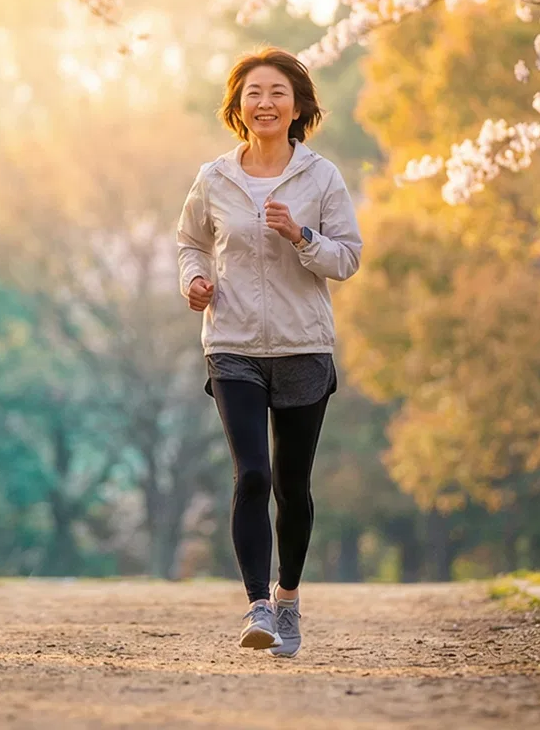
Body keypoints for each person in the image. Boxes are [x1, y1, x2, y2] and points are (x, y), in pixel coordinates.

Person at [175, 47, 362, 659]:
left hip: (303, 344)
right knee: (252, 474)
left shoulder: (322, 177)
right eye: (253, 93)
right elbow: (191, 242)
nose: (265, 103)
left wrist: (301, 236)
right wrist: (194, 280)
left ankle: (287, 597)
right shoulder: (214, 178)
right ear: (237, 106)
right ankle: (257, 605)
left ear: (298, 106)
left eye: (277, 92)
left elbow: (347, 258)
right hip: (232, 344)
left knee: (292, 484)